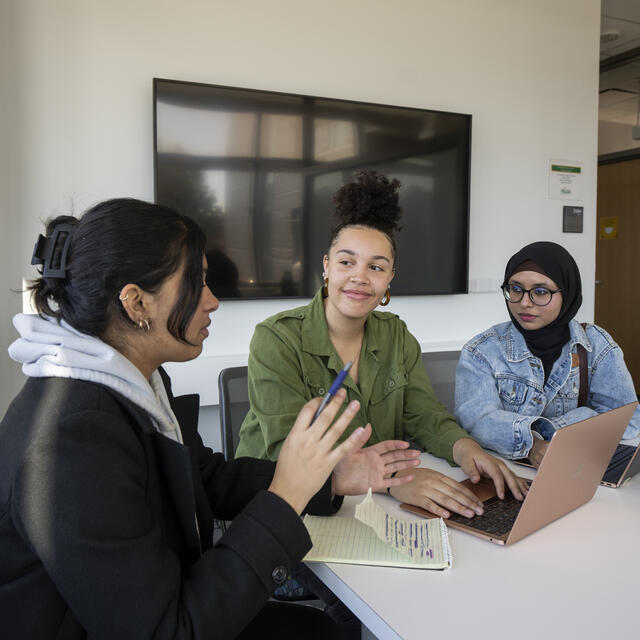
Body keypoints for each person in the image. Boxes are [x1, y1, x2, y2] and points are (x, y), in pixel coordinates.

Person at [0, 198, 420, 640]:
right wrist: (286, 494)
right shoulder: (71, 437)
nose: (213, 301)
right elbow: (166, 630)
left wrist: (328, 478)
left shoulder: (135, 380)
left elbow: (206, 476)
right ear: (136, 303)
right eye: (197, 284)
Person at [236, 170, 527, 519]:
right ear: (327, 267)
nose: (360, 276)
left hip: (368, 505)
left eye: (376, 267)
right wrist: (390, 480)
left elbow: (422, 414)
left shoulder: (396, 335)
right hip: (284, 505)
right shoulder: (276, 338)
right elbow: (287, 450)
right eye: (347, 262)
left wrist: (465, 449)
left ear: (390, 279)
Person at [455, 240, 640, 467]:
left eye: (540, 292)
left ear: (568, 292)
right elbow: (476, 421)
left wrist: (552, 434)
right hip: (506, 472)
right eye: (515, 289)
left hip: (576, 469)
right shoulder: (481, 351)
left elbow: (627, 419)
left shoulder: (595, 344)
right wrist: (532, 446)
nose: (524, 303)